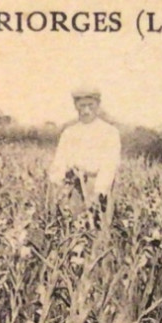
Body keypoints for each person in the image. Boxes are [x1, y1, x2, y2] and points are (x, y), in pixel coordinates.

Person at [48, 86, 121, 222]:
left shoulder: (109, 132)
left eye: (90, 105)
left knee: (98, 229)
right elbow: (60, 161)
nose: (86, 110)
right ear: (76, 106)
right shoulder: (69, 132)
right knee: (74, 227)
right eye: (82, 106)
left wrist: (99, 192)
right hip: (74, 187)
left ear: (98, 105)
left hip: (98, 185)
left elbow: (109, 165)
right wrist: (59, 187)